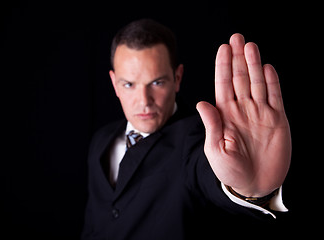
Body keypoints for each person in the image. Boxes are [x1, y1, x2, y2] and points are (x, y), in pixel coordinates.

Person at [82, 19, 291, 239]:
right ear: (114, 83)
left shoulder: (198, 140)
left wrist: (250, 189)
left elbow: (207, 174)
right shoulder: (101, 140)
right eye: (129, 84)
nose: (144, 101)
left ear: (177, 78)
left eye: (157, 83)